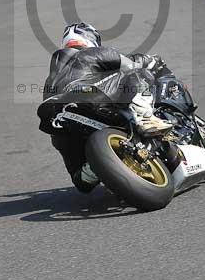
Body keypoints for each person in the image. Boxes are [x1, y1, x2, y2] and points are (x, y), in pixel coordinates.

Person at [37, 22, 172, 192]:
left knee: (80, 180)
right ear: (90, 38)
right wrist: (154, 61)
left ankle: (93, 169)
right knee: (137, 72)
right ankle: (146, 118)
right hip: (87, 97)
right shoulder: (90, 53)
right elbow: (132, 63)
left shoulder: (52, 77)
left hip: (55, 120)